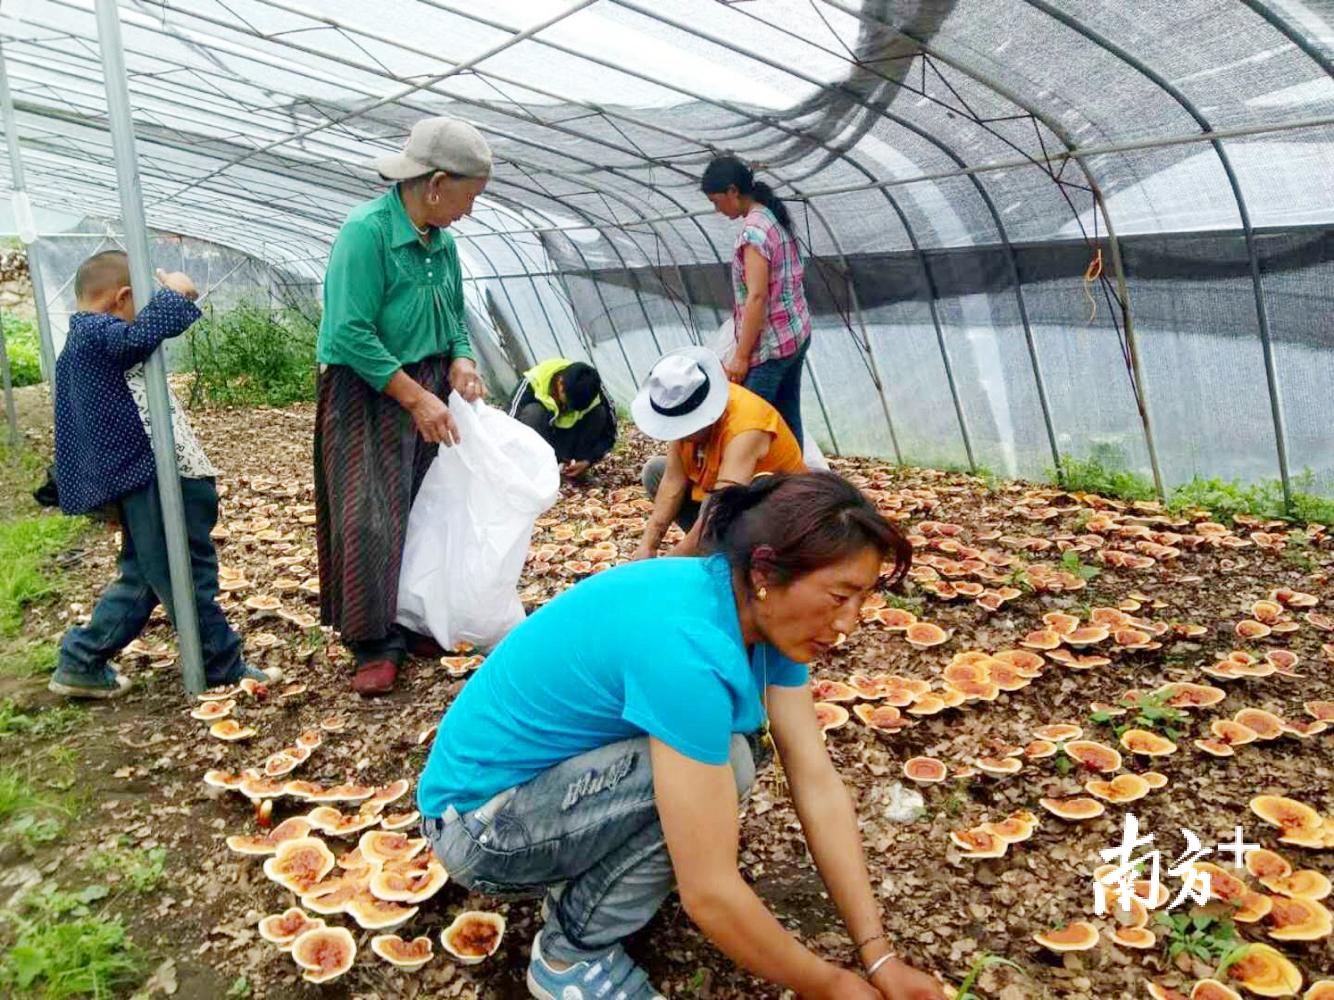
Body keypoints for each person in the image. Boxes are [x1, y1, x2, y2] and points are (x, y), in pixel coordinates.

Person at [418, 472, 943, 1000]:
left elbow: (815, 780)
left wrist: (877, 956)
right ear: (765, 570)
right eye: (839, 596)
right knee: (726, 764)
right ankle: (570, 957)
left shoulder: (758, 614)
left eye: (862, 599)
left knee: (723, 760)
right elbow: (709, 893)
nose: (849, 623)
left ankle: (588, 884)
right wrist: (830, 986)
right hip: (481, 829)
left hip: (540, 793)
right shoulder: (688, 646)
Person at [48, 252, 279, 698]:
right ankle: (222, 665)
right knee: (184, 574)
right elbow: (137, 338)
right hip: (153, 477)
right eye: (145, 302)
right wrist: (176, 294)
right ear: (123, 298)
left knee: (143, 577)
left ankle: (81, 659)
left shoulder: (82, 345)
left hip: (146, 477)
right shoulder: (97, 333)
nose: (147, 314)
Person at [314, 117, 491, 697]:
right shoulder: (366, 233)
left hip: (429, 382)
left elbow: (455, 316)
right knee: (368, 513)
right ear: (437, 184)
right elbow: (348, 332)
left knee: (423, 507)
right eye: (469, 197)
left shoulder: (444, 242)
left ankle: (412, 618)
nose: (470, 210)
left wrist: (461, 359)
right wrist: (415, 398)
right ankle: (372, 640)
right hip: (371, 388)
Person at [631, 347, 805, 560]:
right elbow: (672, 481)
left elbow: (722, 505)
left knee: (712, 503)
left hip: (781, 516)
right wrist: (648, 545)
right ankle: (710, 547)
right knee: (654, 471)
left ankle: (721, 554)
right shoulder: (684, 408)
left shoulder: (746, 427)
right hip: (724, 500)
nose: (680, 436)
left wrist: (669, 566)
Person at [701, 155, 813, 445]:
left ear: (732, 191)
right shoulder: (771, 217)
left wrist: (740, 356)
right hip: (795, 333)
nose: (717, 209)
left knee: (744, 427)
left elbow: (757, 297)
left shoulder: (753, 232)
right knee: (788, 419)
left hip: (771, 347)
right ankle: (797, 481)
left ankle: (745, 487)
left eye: (717, 201)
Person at [507, 358, 616, 479]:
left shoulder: (594, 388)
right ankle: (540, 473)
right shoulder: (534, 381)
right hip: (542, 445)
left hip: (570, 443)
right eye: (568, 404)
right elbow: (507, 426)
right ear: (560, 383)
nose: (568, 409)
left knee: (599, 412)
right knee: (533, 413)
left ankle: (575, 470)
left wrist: (588, 460)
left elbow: (610, 434)